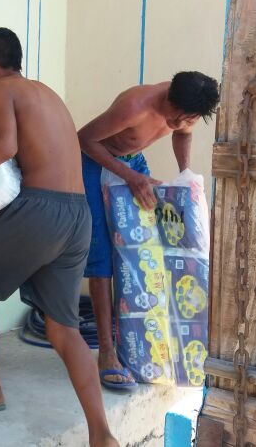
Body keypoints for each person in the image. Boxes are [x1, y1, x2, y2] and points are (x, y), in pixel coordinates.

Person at [0, 28, 119, 447]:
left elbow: (3, 147)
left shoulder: (2, 89)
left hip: (43, 208)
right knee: (63, 329)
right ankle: (101, 433)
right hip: (78, 216)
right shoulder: (45, 93)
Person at [76, 71, 220, 391]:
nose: (179, 123)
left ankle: (143, 342)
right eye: (176, 116)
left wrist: (184, 174)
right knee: (103, 257)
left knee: (148, 247)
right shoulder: (135, 106)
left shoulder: (188, 105)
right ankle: (107, 352)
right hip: (95, 165)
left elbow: (183, 133)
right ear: (168, 97)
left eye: (188, 120)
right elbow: (83, 140)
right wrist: (130, 177)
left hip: (133, 163)